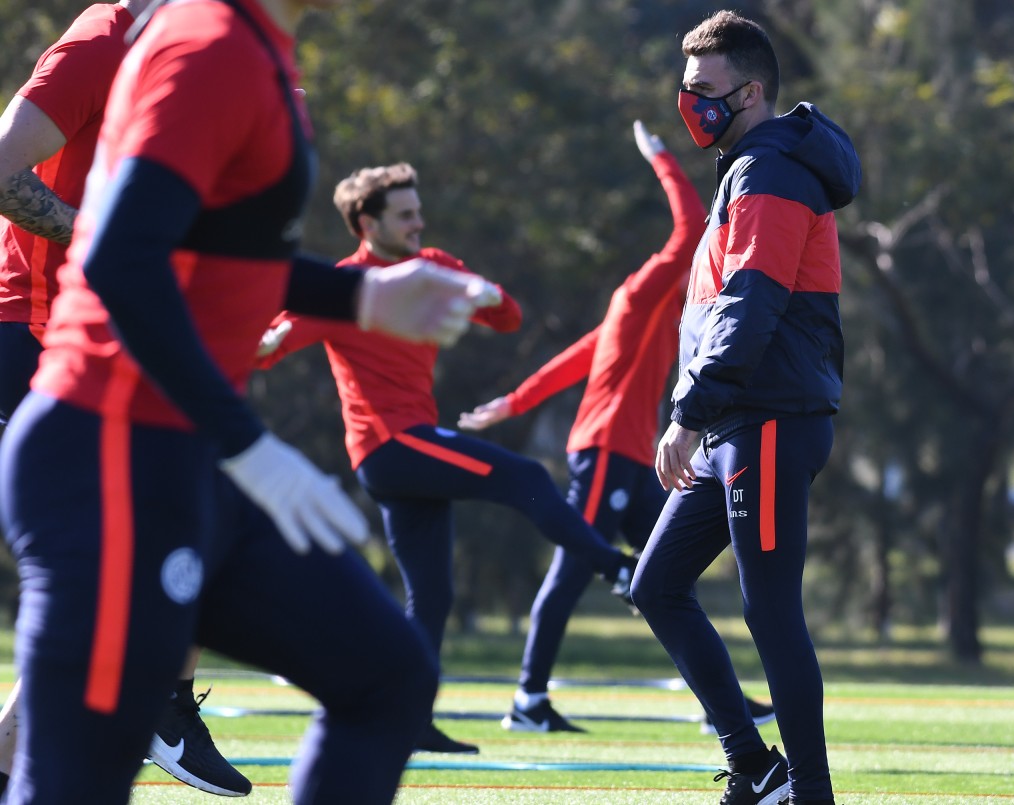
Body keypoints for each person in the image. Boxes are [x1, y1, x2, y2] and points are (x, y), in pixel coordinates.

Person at [0, 0, 493, 799]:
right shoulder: (212, 44)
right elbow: (122, 256)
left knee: (387, 676)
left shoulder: (255, 45)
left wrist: (361, 298)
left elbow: (213, 255)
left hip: (177, 451)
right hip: (110, 455)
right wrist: (247, 445)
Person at [255, 161, 639, 751]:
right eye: (405, 215)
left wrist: (487, 292)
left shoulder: (432, 266)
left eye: (418, 212)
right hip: (390, 447)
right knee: (525, 475)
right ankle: (618, 569)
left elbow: (509, 319)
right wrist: (266, 339)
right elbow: (267, 349)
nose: (418, 223)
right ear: (367, 223)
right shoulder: (344, 286)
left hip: (411, 450)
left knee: (432, 598)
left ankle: (408, 722)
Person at [0, 0, 247, 797]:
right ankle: (161, 705)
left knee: (141, 547)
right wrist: (104, 239)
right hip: (33, 337)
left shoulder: (186, 53)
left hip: (101, 339)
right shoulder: (102, 41)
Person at [461, 121, 773, 737]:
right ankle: (528, 700)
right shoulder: (636, 296)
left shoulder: (655, 317)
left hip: (633, 459)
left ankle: (722, 706)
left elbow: (576, 359)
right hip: (604, 451)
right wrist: (661, 158)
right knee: (573, 569)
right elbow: (690, 227)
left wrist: (514, 403)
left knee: (667, 576)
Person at [629, 11, 860, 805]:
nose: (689, 101)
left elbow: (751, 305)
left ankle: (809, 790)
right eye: (685, 85)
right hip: (739, 421)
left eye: (703, 87)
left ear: (751, 91)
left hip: (767, 420)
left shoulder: (770, 171)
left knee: (770, 611)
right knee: (656, 583)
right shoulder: (747, 168)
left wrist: (687, 413)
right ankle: (758, 766)